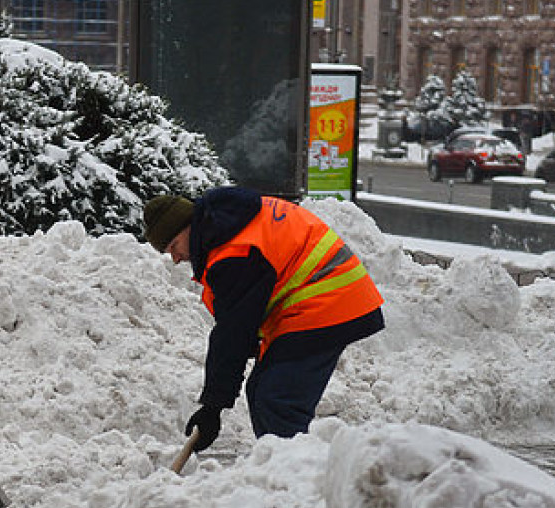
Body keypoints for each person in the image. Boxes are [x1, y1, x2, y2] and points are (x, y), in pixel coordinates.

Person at [143, 187, 384, 451]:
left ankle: (293, 477)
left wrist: (213, 407)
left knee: (278, 399)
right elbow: (242, 320)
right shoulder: (229, 224)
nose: (176, 259)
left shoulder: (233, 251)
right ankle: (277, 467)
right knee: (260, 389)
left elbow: (233, 331)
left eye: (173, 246)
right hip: (316, 297)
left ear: (188, 227)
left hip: (328, 297)